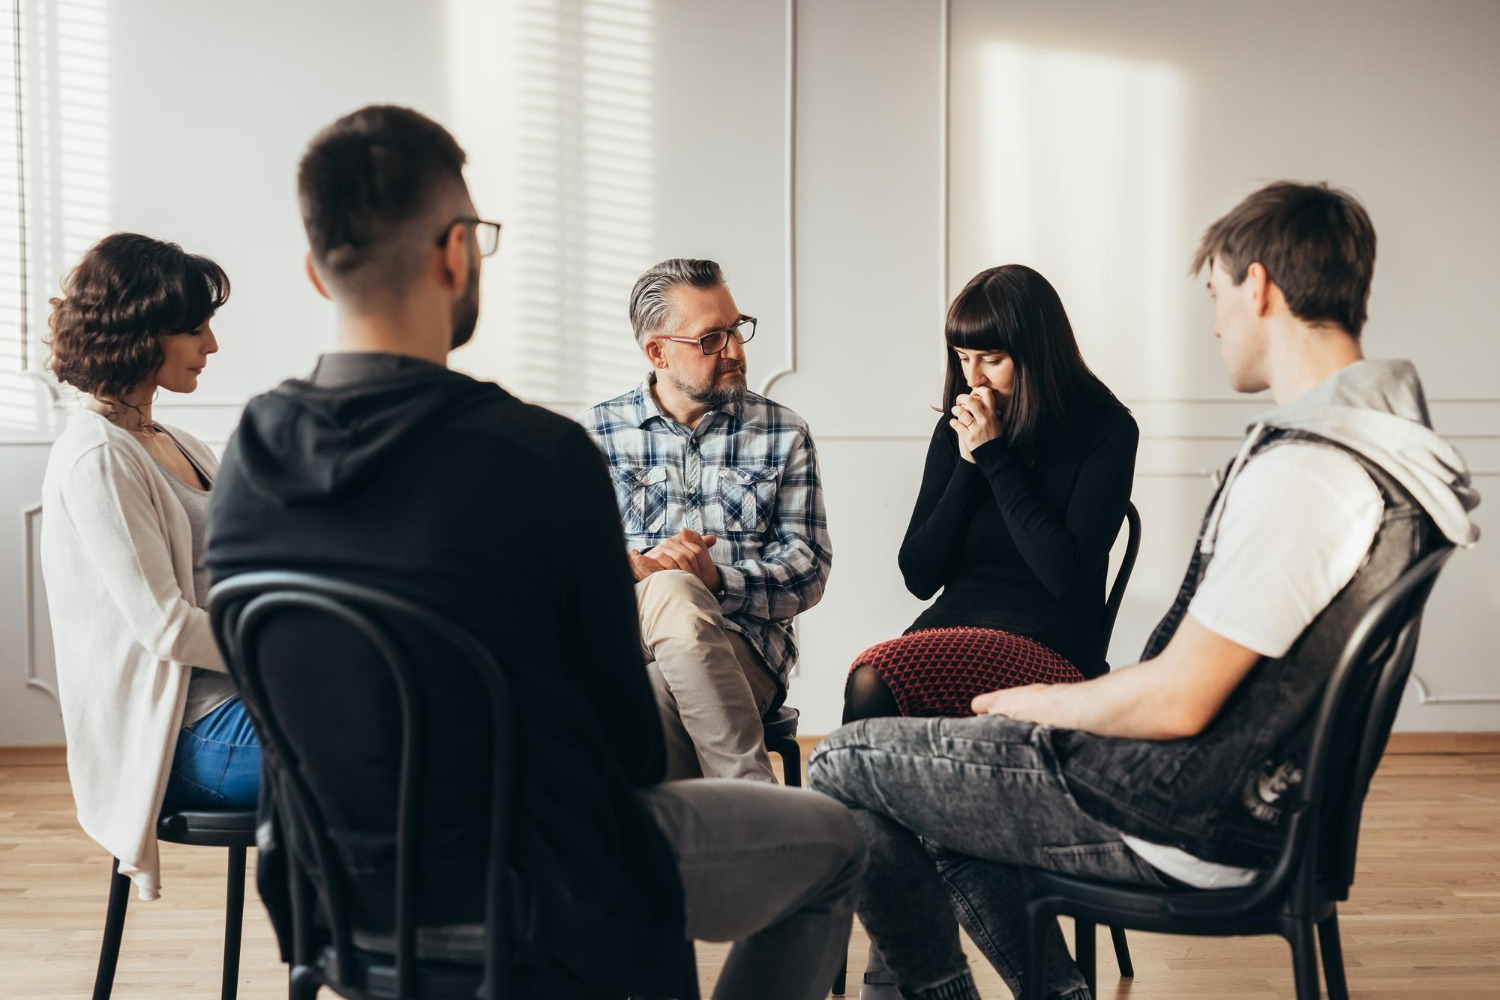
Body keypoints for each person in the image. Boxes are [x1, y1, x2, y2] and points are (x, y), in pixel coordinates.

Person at [206, 105, 863, 1000]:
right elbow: (627, 749)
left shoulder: (248, 459)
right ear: (455, 252)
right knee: (836, 846)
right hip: (547, 894)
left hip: (344, 898)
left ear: (318, 275)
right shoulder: (538, 458)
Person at [809, 181, 1481, 1000]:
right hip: (1223, 798)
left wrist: (1038, 706)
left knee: (844, 762)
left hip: (1179, 810)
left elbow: (1178, 703)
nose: (1216, 322)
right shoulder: (1378, 457)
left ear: (1259, 286)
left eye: (1217, 294)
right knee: (916, 786)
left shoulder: (1308, 472)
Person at [40, 233, 254, 902]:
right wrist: (287, 650)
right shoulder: (98, 456)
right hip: (186, 740)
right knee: (397, 753)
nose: (211, 346)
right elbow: (165, 627)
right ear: (139, 331)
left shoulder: (176, 443)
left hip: (235, 706)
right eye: (194, 329)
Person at [843, 263, 1138, 730]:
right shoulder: (957, 430)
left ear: (1037, 353)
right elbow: (919, 576)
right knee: (872, 678)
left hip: (1048, 646)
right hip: (952, 627)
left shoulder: (1107, 430)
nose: (973, 379)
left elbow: (1065, 575)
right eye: (962, 357)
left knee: (876, 678)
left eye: (991, 359)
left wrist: (996, 458)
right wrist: (968, 464)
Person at [577, 258, 832, 783]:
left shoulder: (783, 432)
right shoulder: (595, 435)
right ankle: (759, 816)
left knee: (653, 703)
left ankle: (652, 853)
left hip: (747, 645)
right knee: (668, 588)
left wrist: (716, 581)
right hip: (626, 636)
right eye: (712, 338)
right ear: (657, 352)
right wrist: (633, 566)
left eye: (737, 329)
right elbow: (560, 569)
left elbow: (808, 570)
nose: (736, 351)